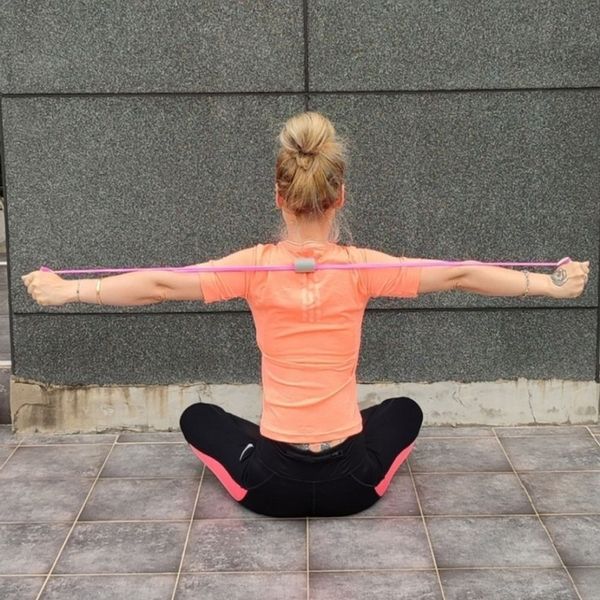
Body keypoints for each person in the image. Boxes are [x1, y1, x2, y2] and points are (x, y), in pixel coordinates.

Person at [21, 111, 590, 518]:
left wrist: (69, 291)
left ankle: (272, 444)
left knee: (199, 416)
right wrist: (551, 285)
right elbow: (461, 273)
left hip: (270, 485)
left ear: (278, 195)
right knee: (404, 410)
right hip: (353, 484)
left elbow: (162, 284)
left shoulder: (256, 266)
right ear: (340, 196)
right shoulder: (361, 267)